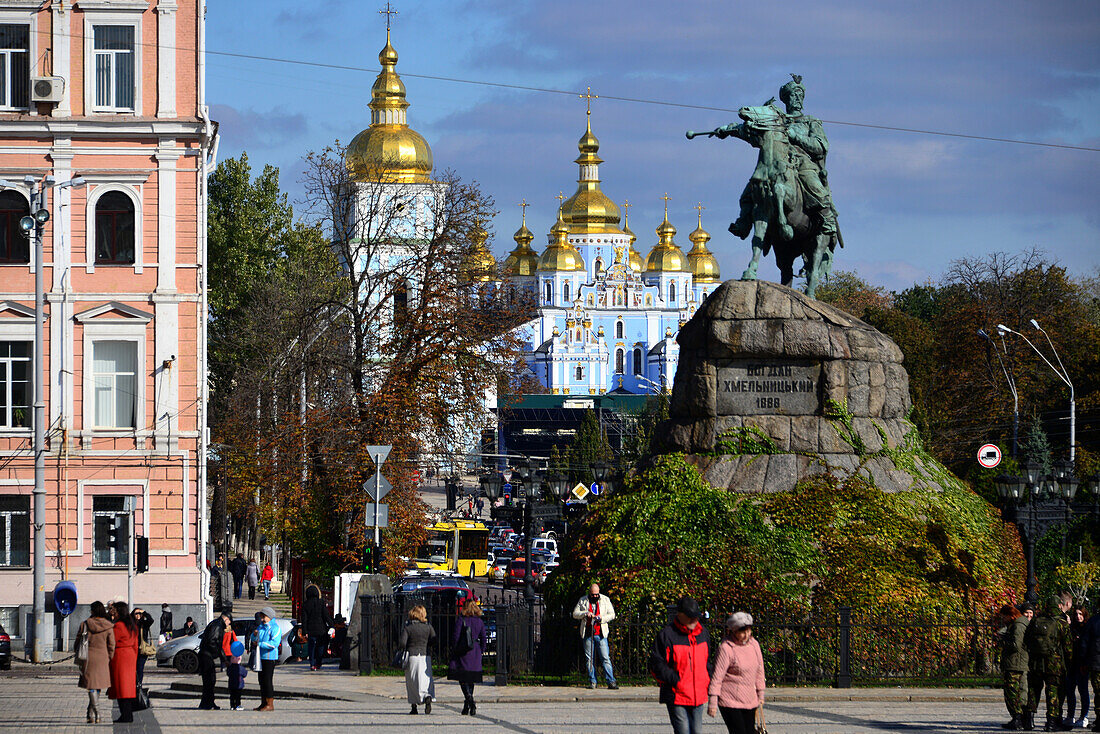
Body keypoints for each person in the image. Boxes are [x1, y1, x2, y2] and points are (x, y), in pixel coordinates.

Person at [727, 74, 838, 242]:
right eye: (793, 96)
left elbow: (821, 146)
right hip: (775, 163)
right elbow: (752, 131)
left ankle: (827, 219)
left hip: (802, 163)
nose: (797, 99)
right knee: (749, 193)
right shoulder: (775, 120)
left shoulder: (810, 122)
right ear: (786, 100)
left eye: (800, 96)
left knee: (814, 185)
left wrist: (796, 136)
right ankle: (744, 224)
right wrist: (729, 130)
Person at [650, 597, 712, 734]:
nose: (694, 621)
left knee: (696, 731)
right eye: (690, 617)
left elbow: (707, 661)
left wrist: (708, 680)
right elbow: (656, 664)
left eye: (696, 617)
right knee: (683, 731)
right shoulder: (667, 635)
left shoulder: (703, 634)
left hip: (698, 693)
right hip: (676, 694)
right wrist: (674, 679)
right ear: (680, 615)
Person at [707, 612, 766, 734]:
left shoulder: (754, 645)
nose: (746, 635)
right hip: (730, 699)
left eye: (748, 631)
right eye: (742, 632)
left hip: (750, 699)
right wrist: (713, 701)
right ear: (734, 631)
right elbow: (717, 676)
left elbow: (759, 670)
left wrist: (760, 693)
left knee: (749, 731)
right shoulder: (726, 648)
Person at [1025, 594, 1075, 732]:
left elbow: (1027, 639)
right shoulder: (1061, 623)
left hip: (1036, 662)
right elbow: (1068, 647)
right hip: (1054, 663)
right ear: (1059, 606)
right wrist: (1070, 663)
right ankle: (1051, 722)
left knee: (1034, 690)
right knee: (1053, 691)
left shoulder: (1036, 620)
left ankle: (1029, 719)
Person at [572, 582, 619, 690]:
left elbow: (612, 614)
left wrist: (601, 618)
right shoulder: (583, 600)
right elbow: (575, 613)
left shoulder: (605, 600)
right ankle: (593, 681)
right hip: (588, 633)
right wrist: (585, 613)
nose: (595, 597)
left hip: (601, 633)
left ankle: (611, 681)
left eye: (596, 594)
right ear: (589, 593)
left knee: (605, 658)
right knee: (589, 659)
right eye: (593, 595)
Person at [78, 601, 116, 724]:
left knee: (91, 686)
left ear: (92, 611)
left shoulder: (85, 624)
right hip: (103, 658)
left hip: (88, 658)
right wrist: (109, 657)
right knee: (97, 685)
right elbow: (112, 645)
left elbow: (78, 642)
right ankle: (91, 713)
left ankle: (96, 712)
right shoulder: (108, 626)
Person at [449, 598, 488, 716]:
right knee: (471, 679)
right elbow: (484, 638)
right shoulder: (479, 621)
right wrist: (481, 650)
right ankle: (467, 705)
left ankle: (469, 699)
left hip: (463, 650)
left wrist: (454, 648)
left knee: (462, 677)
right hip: (475, 650)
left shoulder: (461, 620)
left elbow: (455, 636)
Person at [997, 604, 1030, 731]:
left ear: (1010, 615)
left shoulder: (1018, 625)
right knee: (1015, 691)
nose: (1003, 620)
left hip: (1016, 663)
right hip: (1015, 662)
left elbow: (1016, 645)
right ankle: (1017, 718)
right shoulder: (1017, 624)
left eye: (1004, 617)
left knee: (1013, 692)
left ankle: (1018, 718)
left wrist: (1004, 640)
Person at [399, 604, 436, 715]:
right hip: (425, 656)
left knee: (412, 681)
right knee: (425, 679)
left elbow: (402, 643)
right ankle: (427, 696)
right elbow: (434, 639)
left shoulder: (408, 627)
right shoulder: (428, 627)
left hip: (412, 655)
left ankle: (414, 706)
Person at [108, 601, 140, 723]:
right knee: (127, 687)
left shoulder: (119, 626)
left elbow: (112, 642)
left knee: (121, 687)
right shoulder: (132, 625)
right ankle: (127, 714)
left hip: (120, 656)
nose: (113, 613)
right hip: (130, 656)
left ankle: (126, 715)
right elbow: (136, 644)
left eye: (114, 611)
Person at [198, 609, 232, 710]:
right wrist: (219, 655)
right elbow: (213, 642)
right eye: (229, 622)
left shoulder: (215, 624)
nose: (229, 625)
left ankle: (208, 702)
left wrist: (223, 658)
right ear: (226, 619)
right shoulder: (217, 626)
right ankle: (207, 703)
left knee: (210, 680)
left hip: (206, 655)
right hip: (206, 655)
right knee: (209, 680)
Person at [1066, 605, 1091, 730]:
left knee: (1083, 691)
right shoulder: (1071, 628)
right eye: (1076, 614)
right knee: (1070, 691)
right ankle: (1070, 715)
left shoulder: (1087, 628)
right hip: (1072, 663)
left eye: (1080, 614)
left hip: (1082, 664)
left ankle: (1084, 716)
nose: (1078, 616)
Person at [253, 606, 281, 711]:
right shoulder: (261, 627)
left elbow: (274, 643)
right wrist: (254, 636)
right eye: (261, 617)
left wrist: (259, 644)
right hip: (260, 657)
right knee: (261, 680)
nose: (262, 619)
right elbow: (254, 638)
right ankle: (263, 702)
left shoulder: (275, 628)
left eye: (264, 617)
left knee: (267, 680)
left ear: (270, 616)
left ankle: (270, 704)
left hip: (269, 658)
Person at [301, 583, 333, 671]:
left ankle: (312, 664)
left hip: (311, 630)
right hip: (321, 629)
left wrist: (305, 631)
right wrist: (332, 625)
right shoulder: (321, 603)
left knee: (311, 647)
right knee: (320, 647)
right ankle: (318, 663)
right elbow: (326, 616)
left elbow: (304, 619)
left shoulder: (305, 604)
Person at [1081, 603, 1100, 732]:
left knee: (1098, 693)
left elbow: (1084, 643)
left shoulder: (1093, 621)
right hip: (1095, 662)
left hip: (1096, 663)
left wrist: (1083, 661)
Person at [223, 623, 246, 710]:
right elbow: (236, 641)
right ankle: (238, 705)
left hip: (224, 651)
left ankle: (232, 705)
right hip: (230, 651)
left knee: (232, 695)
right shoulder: (231, 633)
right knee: (238, 695)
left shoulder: (222, 633)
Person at [131, 606, 155, 689]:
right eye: (136, 613)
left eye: (139, 614)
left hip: (142, 649)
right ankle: (133, 683)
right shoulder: (131, 624)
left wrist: (144, 612)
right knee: (133, 668)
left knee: (140, 667)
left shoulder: (144, 624)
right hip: (132, 650)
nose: (138, 615)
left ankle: (139, 684)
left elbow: (151, 620)